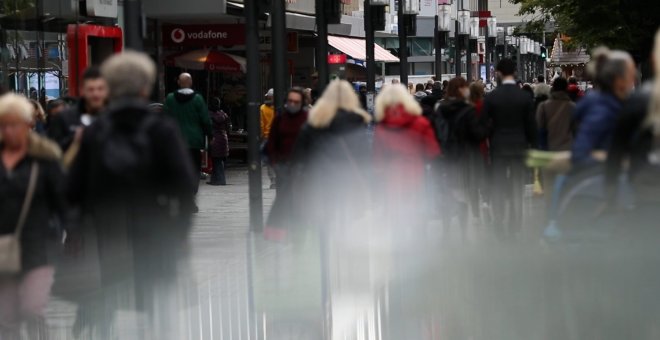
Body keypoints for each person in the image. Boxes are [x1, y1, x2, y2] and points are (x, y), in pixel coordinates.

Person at [67, 52, 196, 335]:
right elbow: (185, 184)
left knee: (109, 298)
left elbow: (73, 189)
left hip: (108, 233)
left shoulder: (95, 131)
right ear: (144, 87)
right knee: (156, 302)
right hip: (155, 230)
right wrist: (180, 229)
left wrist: (77, 228)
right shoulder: (161, 129)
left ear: (110, 86)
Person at [0, 94, 65, 338]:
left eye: (14, 123)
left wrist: (73, 232)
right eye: (3, 124)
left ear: (27, 124)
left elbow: (62, 200)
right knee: (6, 317)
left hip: (39, 247)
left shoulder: (45, 159)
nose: (8, 130)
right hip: (3, 249)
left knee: (31, 308)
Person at [291, 79, 372, 229]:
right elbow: (365, 157)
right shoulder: (358, 121)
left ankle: (325, 249)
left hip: (320, 183)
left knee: (325, 226)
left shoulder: (314, 122)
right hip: (349, 183)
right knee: (350, 227)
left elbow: (299, 155)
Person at [606, 29, 660, 232]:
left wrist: (611, 195)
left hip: (647, 196)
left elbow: (616, 153)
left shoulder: (637, 102)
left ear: (654, 59)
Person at [482, 58, 536, 240]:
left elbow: (483, 125)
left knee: (498, 183)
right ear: (515, 72)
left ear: (498, 73)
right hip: (519, 145)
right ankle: (515, 221)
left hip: (498, 145)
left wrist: (490, 135)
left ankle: (498, 218)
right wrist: (533, 145)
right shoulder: (525, 97)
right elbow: (531, 126)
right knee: (516, 184)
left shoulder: (491, 97)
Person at [372, 84, 440, 226]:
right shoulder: (421, 123)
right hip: (417, 172)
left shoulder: (381, 128)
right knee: (418, 213)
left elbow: (378, 160)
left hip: (392, 176)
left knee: (396, 217)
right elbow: (433, 151)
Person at [439, 78, 490, 234]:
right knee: (472, 185)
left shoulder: (441, 108)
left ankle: (447, 227)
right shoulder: (468, 110)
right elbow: (477, 134)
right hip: (469, 154)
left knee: (452, 189)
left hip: (448, 156)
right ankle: (468, 221)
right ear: (461, 89)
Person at [571, 49, 636, 166]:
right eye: (631, 74)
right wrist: (625, 161)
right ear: (618, 79)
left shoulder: (611, 104)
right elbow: (581, 154)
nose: (634, 79)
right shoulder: (602, 110)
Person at [264, 87, 309, 238]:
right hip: (283, 164)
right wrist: (275, 161)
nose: (292, 104)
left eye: (296, 101)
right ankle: (280, 229)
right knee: (283, 196)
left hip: (302, 166)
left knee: (300, 198)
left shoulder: (307, 118)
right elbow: (272, 141)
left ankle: (299, 229)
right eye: (290, 101)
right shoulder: (280, 118)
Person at [164, 72, 212, 202]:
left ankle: (180, 195)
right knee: (195, 169)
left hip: (175, 141)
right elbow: (206, 120)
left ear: (179, 83)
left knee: (177, 169)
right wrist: (210, 135)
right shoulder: (198, 99)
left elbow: (164, 118)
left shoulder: (170, 99)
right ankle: (191, 195)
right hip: (194, 141)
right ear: (190, 82)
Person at [47, 67, 108, 151]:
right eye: (91, 89)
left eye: (100, 89)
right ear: (82, 90)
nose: (95, 94)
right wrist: (76, 138)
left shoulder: (115, 117)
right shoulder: (64, 118)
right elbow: (54, 151)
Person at [536, 77, 576, 152]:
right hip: (567, 147)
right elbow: (576, 128)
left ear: (553, 88)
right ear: (566, 88)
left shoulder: (543, 106)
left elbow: (539, 125)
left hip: (549, 146)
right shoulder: (572, 106)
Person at [208, 97, 231, 186]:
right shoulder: (224, 114)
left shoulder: (210, 115)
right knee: (218, 160)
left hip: (214, 138)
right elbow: (228, 127)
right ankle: (215, 179)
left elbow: (208, 127)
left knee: (216, 160)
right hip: (223, 138)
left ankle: (220, 179)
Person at [260, 89, 276, 189]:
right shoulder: (280, 108)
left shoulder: (262, 108)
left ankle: (273, 180)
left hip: (267, 137)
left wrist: (261, 135)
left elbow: (261, 124)